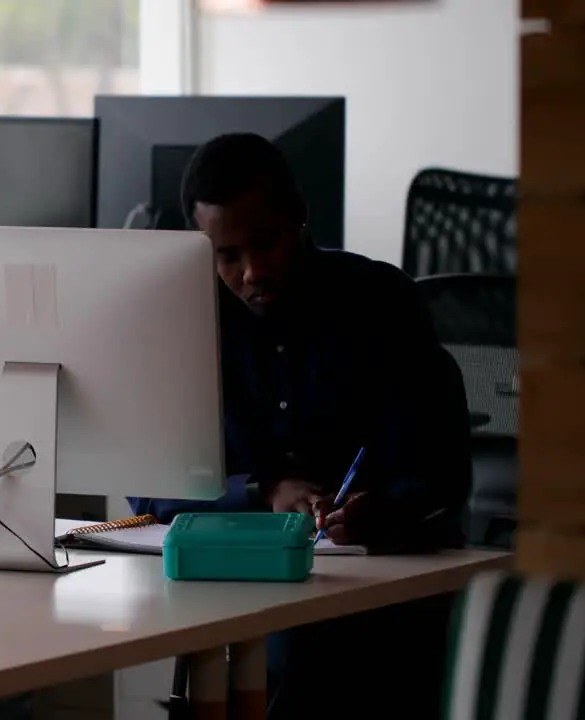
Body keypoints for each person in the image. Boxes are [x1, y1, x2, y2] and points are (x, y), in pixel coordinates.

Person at [131, 134, 472, 719]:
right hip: (229, 590)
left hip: (367, 595)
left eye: (266, 243)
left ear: (299, 218)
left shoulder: (380, 302)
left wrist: (381, 511)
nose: (252, 272)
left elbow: (442, 467)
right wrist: (262, 492)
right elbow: (149, 481)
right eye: (227, 256)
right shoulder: (188, 320)